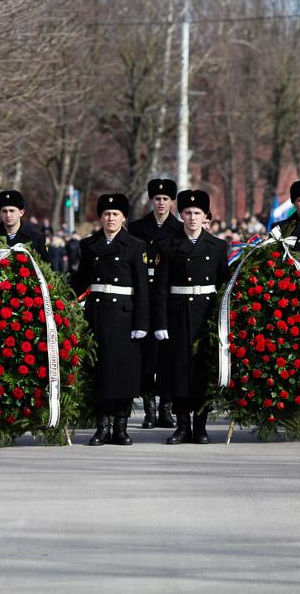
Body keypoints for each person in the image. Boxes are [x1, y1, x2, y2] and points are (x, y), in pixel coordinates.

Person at [152, 190, 230, 445]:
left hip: (205, 315)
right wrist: (160, 323)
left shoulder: (217, 246)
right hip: (177, 314)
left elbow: (224, 285)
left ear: (206, 216)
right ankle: (182, 425)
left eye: (197, 213)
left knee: (202, 371)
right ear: (181, 214)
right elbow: (161, 288)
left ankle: (201, 425)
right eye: (187, 213)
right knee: (179, 371)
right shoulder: (168, 246)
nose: (192, 218)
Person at [71, 194, 150, 445]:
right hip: (97, 314)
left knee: (124, 374)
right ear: (100, 217)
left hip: (125, 317)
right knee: (100, 371)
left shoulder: (136, 245)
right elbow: (80, 280)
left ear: (124, 217)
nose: (111, 218)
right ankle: (102, 425)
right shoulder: (89, 245)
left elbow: (142, 288)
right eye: (106, 214)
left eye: (115, 214)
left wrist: (141, 323)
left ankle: (121, 425)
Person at [127, 178, 183, 430]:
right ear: (151, 201)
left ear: (172, 201)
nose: (161, 203)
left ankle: (166, 407)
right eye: (157, 199)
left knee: (168, 355)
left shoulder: (178, 228)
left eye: (165, 199)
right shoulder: (138, 227)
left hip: (169, 295)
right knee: (147, 356)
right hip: (144, 292)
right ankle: (149, 408)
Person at [0, 189, 49, 261]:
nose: (8, 215)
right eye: (4, 211)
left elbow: (47, 268)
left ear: (21, 212)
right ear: (0, 213)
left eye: (12, 211)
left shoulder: (36, 238)